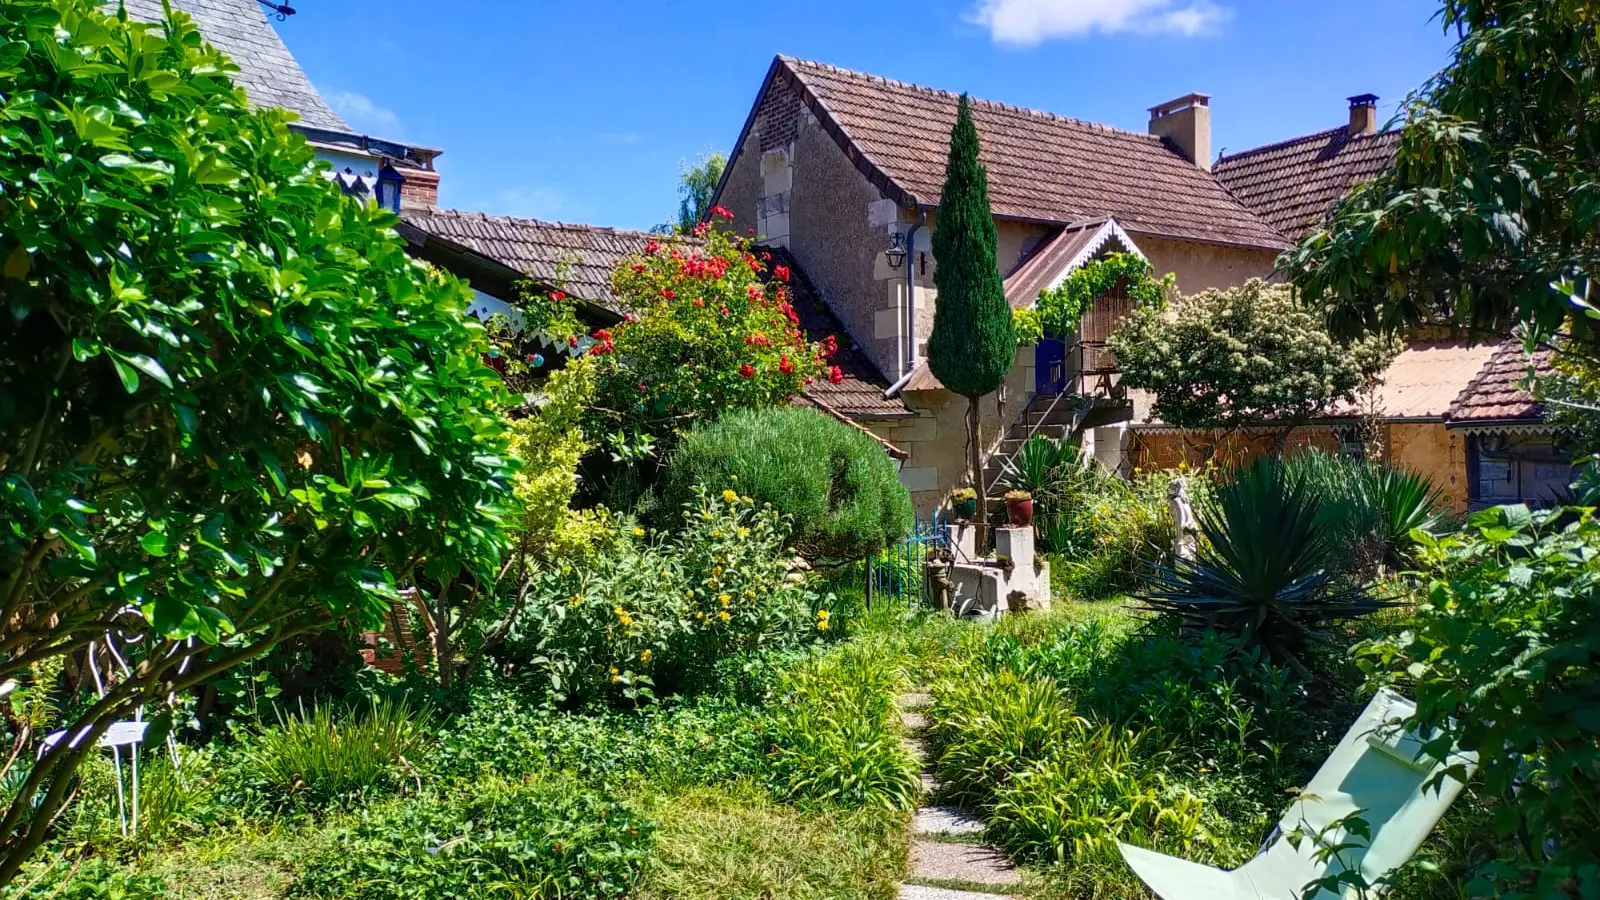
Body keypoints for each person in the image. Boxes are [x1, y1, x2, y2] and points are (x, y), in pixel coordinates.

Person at [1168, 477, 1198, 560]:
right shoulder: (1185, 501)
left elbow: (1180, 517)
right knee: (1192, 554)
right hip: (1192, 528)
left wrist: (1178, 537)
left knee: (1182, 556)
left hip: (1184, 530)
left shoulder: (1176, 501)